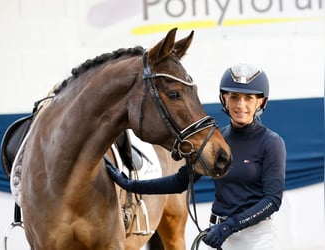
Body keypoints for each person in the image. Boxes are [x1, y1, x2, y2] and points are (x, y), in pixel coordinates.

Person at [106, 63, 286, 250]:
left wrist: (229, 226)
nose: (241, 105)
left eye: (249, 98)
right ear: (224, 99)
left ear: (261, 102)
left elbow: (272, 200)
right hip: (217, 233)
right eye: (234, 97)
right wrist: (130, 185)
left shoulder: (271, 143)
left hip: (254, 237)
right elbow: (180, 182)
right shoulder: (218, 142)